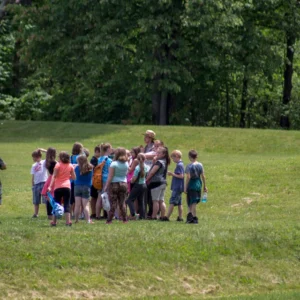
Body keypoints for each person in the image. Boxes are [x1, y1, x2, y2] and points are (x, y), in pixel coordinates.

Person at [48, 151, 76, 226]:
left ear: (61, 158)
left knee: (56, 204)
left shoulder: (58, 165)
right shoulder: (70, 165)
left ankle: (54, 221)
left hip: (58, 187)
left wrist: (50, 186)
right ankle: (68, 221)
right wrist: (67, 176)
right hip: (67, 187)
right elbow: (74, 177)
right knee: (67, 204)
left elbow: (54, 176)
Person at [104, 147, 128, 224]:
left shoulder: (113, 164)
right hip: (124, 183)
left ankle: (109, 220)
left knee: (113, 203)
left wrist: (106, 186)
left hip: (114, 184)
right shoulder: (126, 163)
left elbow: (110, 176)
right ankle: (124, 219)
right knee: (122, 203)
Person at [146, 146, 170, 220]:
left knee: (155, 200)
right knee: (161, 200)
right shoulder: (165, 161)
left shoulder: (159, 162)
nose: (157, 153)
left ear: (163, 154)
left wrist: (146, 179)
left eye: (159, 153)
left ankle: (153, 216)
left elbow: (152, 172)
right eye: (157, 152)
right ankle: (162, 216)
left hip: (156, 182)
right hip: (163, 182)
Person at [184, 150, 208, 224]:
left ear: (189, 157)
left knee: (191, 201)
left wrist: (185, 186)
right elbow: (203, 176)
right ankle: (191, 216)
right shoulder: (200, 165)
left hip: (191, 184)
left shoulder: (189, 166)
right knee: (194, 200)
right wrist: (205, 185)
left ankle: (192, 217)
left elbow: (188, 177)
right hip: (198, 183)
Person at [126, 153, 149, 220]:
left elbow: (134, 179)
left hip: (138, 185)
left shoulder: (137, 168)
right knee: (141, 201)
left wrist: (131, 180)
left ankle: (133, 214)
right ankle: (143, 216)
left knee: (129, 200)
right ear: (145, 159)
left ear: (137, 159)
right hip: (144, 185)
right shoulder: (146, 167)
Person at [165, 150, 184, 221]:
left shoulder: (179, 165)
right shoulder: (180, 164)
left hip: (177, 186)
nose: (173, 160)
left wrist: (172, 174)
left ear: (176, 156)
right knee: (179, 203)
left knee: (172, 201)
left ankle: (167, 217)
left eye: (173, 158)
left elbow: (181, 176)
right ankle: (180, 217)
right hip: (179, 186)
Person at [74, 155, 93, 224]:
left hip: (77, 186)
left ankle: (76, 220)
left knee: (77, 205)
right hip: (86, 187)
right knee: (86, 205)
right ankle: (88, 220)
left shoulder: (76, 168)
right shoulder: (90, 168)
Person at [95, 143, 112, 220]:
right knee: (107, 197)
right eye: (111, 148)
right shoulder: (109, 160)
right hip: (106, 180)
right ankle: (109, 215)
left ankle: (97, 215)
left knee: (99, 197)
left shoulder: (99, 159)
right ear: (108, 149)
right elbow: (110, 171)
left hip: (99, 180)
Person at [30, 149, 48, 218]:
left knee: (46, 200)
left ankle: (48, 213)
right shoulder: (33, 165)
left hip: (44, 183)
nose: (33, 159)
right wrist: (33, 185)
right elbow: (33, 176)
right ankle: (36, 213)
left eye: (33, 157)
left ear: (37, 156)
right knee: (36, 200)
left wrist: (42, 150)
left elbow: (49, 154)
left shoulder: (44, 162)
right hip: (36, 184)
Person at [41, 147, 57, 219]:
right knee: (54, 198)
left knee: (49, 198)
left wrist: (44, 151)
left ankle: (49, 214)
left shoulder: (46, 161)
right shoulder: (55, 163)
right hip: (54, 179)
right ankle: (54, 213)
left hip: (49, 179)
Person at [70, 142, 84, 218]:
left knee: (71, 199)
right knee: (78, 198)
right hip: (79, 179)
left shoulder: (71, 157)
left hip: (71, 180)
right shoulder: (81, 157)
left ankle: (71, 213)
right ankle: (79, 214)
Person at [89, 145, 101, 219]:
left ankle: (97, 212)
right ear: (96, 152)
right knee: (94, 197)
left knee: (98, 197)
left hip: (99, 181)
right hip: (95, 180)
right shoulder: (93, 160)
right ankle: (93, 212)